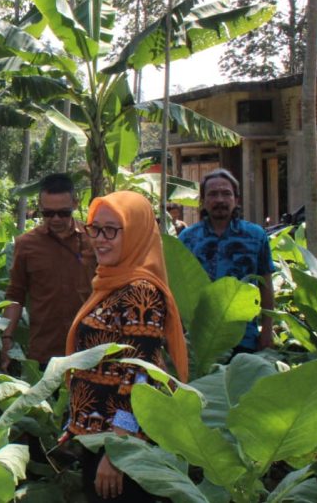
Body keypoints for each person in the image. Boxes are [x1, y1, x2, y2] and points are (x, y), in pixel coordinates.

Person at [65, 190, 189, 502]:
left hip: (120, 447)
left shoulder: (140, 291)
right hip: (98, 435)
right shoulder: (109, 282)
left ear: (135, 232)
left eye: (112, 230)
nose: (100, 239)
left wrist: (119, 453)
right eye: (95, 228)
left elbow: (139, 376)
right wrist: (77, 422)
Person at [0, 173, 97, 371]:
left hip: (89, 350)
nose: (55, 219)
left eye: (63, 212)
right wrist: (6, 338)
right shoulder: (26, 245)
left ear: (75, 205)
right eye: (48, 213)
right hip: (45, 353)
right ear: (40, 208)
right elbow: (15, 296)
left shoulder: (93, 240)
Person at [178, 168, 275, 354]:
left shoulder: (256, 236)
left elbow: (266, 285)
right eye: (213, 194)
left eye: (226, 194)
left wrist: (267, 330)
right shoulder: (188, 239)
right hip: (198, 338)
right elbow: (177, 290)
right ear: (203, 201)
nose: (220, 200)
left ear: (236, 200)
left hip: (243, 337)